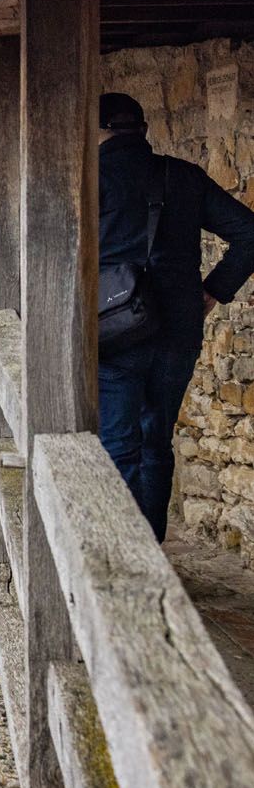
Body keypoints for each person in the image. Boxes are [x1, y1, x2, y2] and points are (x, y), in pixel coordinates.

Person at [98, 92, 254, 541]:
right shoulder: (183, 176)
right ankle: (152, 546)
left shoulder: (89, 178)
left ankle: (126, 556)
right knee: (155, 439)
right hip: (177, 327)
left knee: (118, 443)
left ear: (99, 131)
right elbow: (248, 234)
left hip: (115, 327)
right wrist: (212, 292)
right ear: (143, 130)